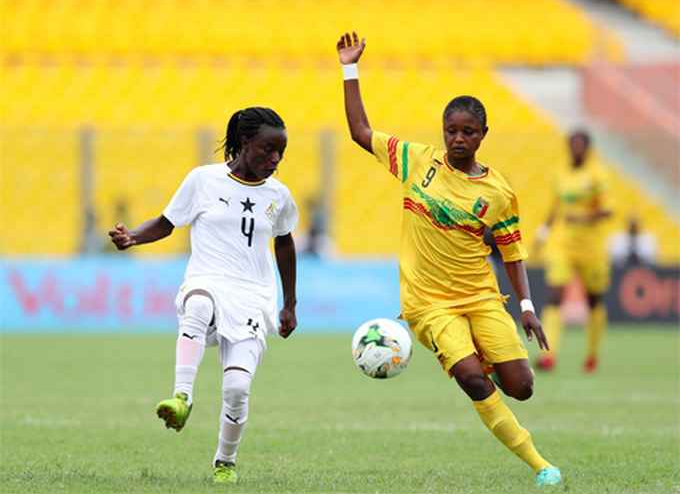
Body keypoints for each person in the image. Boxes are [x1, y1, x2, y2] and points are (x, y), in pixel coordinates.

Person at [336, 32, 561, 487]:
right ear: (442, 132)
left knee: (522, 387)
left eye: (468, 132)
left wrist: (527, 307)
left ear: (483, 135)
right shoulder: (417, 161)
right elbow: (361, 132)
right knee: (473, 381)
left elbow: (512, 253)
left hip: (480, 297)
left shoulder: (498, 193)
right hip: (428, 305)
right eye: (451, 131)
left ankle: (479, 353)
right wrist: (349, 69)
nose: (458, 139)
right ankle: (541, 465)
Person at [108, 107, 299, 484]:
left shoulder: (279, 195)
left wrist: (289, 303)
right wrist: (134, 237)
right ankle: (182, 398)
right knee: (197, 302)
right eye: (267, 150)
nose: (275, 160)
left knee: (238, 389)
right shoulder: (203, 180)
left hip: (253, 294)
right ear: (245, 143)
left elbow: (285, 245)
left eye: (281, 152)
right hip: (208, 277)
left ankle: (224, 462)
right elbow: (167, 222)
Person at [534, 130, 612, 373]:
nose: (575, 148)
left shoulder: (598, 175)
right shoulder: (560, 174)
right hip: (562, 244)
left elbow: (608, 210)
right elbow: (554, 208)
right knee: (554, 296)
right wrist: (542, 234)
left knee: (594, 301)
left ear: (588, 148)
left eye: (580, 144)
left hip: (591, 247)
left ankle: (592, 354)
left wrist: (582, 217)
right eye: (572, 144)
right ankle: (548, 355)